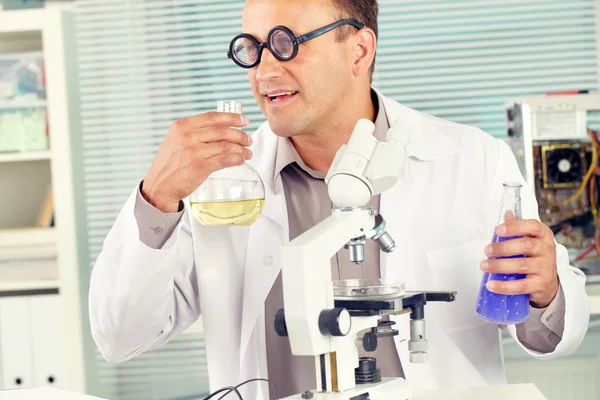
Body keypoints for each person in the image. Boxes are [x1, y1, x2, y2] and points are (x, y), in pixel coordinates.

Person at [88, 0, 590, 398]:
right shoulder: (220, 180)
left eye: (286, 44)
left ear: (359, 50)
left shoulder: (474, 160)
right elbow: (121, 337)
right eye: (251, 47)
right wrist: (157, 197)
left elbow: (548, 334)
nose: (263, 71)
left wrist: (546, 290)